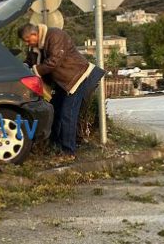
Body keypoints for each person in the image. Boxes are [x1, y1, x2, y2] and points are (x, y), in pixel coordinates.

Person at [20, 23, 105, 159]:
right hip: (62, 82)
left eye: (27, 40)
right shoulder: (35, 47)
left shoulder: (55, 35)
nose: (26, 44)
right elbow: (30, 61)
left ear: (34, 35)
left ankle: (68, 151)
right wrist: (23, 66)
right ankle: (55, 146)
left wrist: (34, 71)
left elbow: (54, 61)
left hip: (77, 78)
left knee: (67, 114)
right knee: (54, 111)